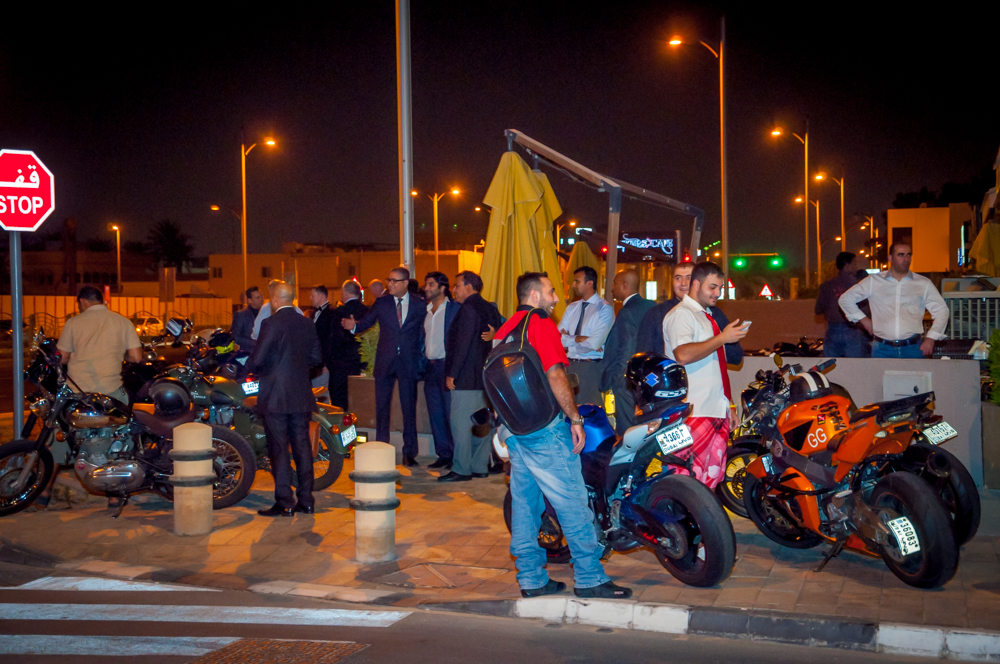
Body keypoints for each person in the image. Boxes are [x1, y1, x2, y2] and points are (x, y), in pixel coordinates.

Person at [496, 271, 631, 600]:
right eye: (551, 292)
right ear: (535, 296)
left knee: (526, 506)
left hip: (514, 429)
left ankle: (531, 579)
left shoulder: (504, 329)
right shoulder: (539, 323)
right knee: (572, 501)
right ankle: (589, 577)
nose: (556, 298)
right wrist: (574, 418)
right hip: (544, 429)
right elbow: (556, 373)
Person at [663, 261, 749, 489]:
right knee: (685, 482)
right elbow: (682, 354)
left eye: (720, 288)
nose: (717, 293)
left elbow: (715, 368)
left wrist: (728, 405)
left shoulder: (707, 316)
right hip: (690, 412)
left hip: (713, 409)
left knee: (710, 482)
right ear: (696, 284)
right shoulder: (681, 314)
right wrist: (722, 338)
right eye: (712, 287)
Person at [248, 282, 323, 517]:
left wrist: (256, 367)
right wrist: (297, 369)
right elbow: (316, 358)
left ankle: (285, 502)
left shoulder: (271, 323)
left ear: (275, 300)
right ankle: (306, 500)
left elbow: (257, 360)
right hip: (300, 394)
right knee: (302, 447)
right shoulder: (307, 323)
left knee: (279, 448)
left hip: (275, 396)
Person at [343, 267, 426, 466]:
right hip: (385, 362)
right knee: (381, 406)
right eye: (389, 280)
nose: (390, 284)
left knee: (408, 408)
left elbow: (425, 331)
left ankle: (409, 452)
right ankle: (382, 447)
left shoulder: (419, 304)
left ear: (405, 283)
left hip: (408, 362)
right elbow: (367, 323)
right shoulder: (382, 303)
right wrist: (354, 326)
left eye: (394, 281)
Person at [439, 271, 501, 482]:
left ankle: (461, 469)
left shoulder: (468, 308)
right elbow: (501, 332)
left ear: (468, 286)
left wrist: (452, 374)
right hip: (485, 377)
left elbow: (462, 344)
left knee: (461, 424)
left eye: (457, 285)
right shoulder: (489, 308)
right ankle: (479, 466)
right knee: (481, 422)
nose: (454, 290)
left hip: (465, 377)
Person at [839, 242, 948, 358]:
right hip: (882, 349)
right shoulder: (874, 281)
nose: (906, 259)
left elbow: (942, 310)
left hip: (913, 348)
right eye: (901, 255)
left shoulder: (923, 283)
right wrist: (863, 320)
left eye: (908, 255)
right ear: (890, 258)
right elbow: (845, 299)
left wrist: (931, 337)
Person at [636, 262, 743, 365]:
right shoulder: (657, 313)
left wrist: (715, 343)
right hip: (671, 376)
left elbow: (736, 356)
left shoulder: (713, 313)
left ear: (697, 282)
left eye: (688, 278)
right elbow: (644, 356)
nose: (683, 283)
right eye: (678, 278)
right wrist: (719, 340)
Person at [57, 285, 142, 403]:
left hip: (79, 391)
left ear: (82, 301)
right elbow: (136, 357)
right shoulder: (123, 322)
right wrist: (120, 354)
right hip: (111, 391)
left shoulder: (73, 323)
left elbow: (62, 357)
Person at [599, 270, 653, 435]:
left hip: (627, 378)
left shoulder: (627, 311)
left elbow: (626, 346)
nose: (612, 288)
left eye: (614, 283)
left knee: (627, 427)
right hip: (648, 376)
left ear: (625, 285)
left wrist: (619, 377)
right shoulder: (651, 306)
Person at [557, 266, 614, 406]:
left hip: (591, 367)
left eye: (577, 281)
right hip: (569, 365)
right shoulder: (571, 308)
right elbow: (557, 338)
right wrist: (579, 339)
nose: (573, 285)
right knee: (568, 408)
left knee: (590, 410)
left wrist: (569, 344)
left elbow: (594, 343)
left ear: (589, 283)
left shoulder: (604, 309)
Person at [423, 272, 459, 469]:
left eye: (431, 284)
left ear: (442, 287)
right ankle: (443, 454)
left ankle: (455, 456)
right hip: (430, 367)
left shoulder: (454, 309)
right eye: (426, 284)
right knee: (435, 413)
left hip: (447, 366)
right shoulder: (426, 310)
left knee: (449, 413)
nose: (426, 288)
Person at [815, 252, 870, 357]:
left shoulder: (827, 285)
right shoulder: (857, 286)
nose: (856, 267)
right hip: (852, 330)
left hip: (832, 330)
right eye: (854, 263)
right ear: (847, 266)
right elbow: (866, 310)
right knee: (854, 365)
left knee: (831, 364)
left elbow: (818, 310)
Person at [327, 280, 369, 409]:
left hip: (341, 365)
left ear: (345, 293)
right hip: (362, 364)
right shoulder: (368, 311)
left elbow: (333, 340)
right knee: (361, 402)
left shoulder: (338, 313)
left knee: (340, 404)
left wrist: (329, 363)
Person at [310, 285, 335, 392]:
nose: (310, 298)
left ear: (321, 295)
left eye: (313, 295)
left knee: (321, 392)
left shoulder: (331, 313)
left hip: (324, 364)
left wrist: (327, 363)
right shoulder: (314, 313)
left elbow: (330, 341)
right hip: (315, 363)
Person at [231, 286, 263, 352]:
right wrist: (255, 343)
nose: (261, 299)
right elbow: (235, 336)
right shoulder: (241, 315)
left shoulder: (266, 312)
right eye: (258, 298)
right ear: (249, 300)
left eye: (261, 296)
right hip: (248, 352)